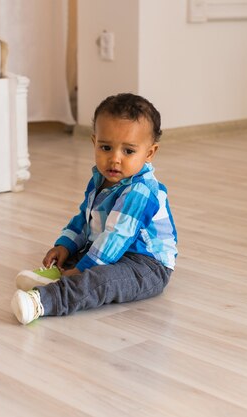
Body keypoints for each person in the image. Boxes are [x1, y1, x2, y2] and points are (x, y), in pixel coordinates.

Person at [11, 93, 178, 325]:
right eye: (106, 147)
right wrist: (65, 245)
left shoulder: (142, 190)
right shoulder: (100, 179)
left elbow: (117, 236)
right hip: (111, 248)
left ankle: (44, 301)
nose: (115, 159)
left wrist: (83, 268)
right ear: (94, 142)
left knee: (101, 281)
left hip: (146, 265)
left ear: (149, 153)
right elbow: (86, 219)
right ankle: (61, 273)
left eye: (128, 151)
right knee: (79, 257)